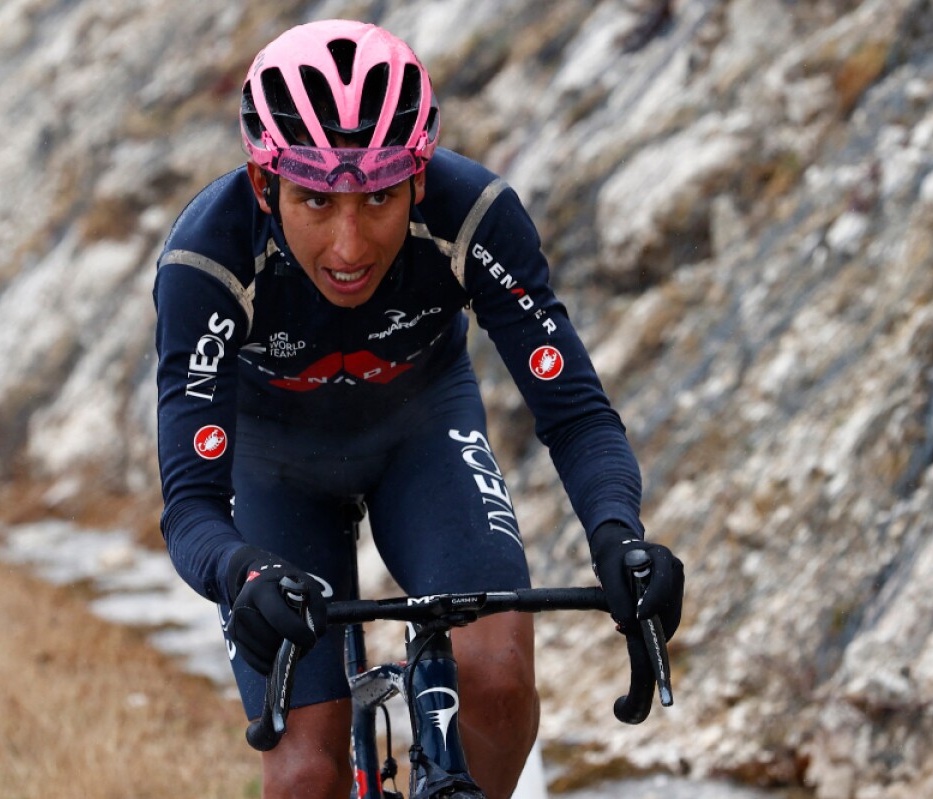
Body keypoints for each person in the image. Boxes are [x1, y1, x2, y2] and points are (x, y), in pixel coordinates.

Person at [153, 18, 684, 799]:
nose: (349, 246)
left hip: (421, 433)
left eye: (378, 196)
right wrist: (244, 570)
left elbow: (575, 413)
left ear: (419, 178)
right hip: (275, 468)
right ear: (265, 186)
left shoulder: (473, 216)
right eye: (315, 199)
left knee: (499, 683)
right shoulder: (208, 260)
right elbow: (191, 503)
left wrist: (619, 535)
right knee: (304, 773)